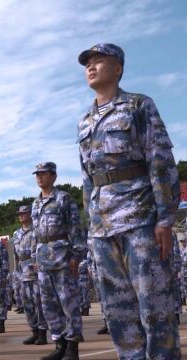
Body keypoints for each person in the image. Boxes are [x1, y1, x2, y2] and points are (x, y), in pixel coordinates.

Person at [77, 43, 181, 359]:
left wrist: (165, 218)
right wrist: (89, 227)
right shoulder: (84, 121)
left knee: (154, 304)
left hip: (140, 218)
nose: (91, 67)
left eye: (99, 61)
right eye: (87, 64)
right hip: (102, 227)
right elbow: (87, 179)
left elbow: (161, 161)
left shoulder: (138, 105)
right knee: (117, 309)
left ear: (118, 68)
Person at [31, 162, 86, 360]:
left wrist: (77, 253)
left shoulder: (64, 198)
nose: (39, 177)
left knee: (68, 303)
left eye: (43, 174)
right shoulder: (35, 203)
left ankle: (72, 346)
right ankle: (59, 343)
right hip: (43, 258)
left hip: (62, 257)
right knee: (48, 305)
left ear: (53, 176)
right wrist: (33, 257)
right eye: (37, 174)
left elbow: (75, 227)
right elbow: (35, 235)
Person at [12, 206, 48, 346]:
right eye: (19, 214)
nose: (20, 216)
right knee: (27, 304)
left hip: (34, 269)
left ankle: (42, 333)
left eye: (23, 213)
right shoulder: (16, 234)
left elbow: (40, 250)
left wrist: (39, 266)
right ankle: (33, 331)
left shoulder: (36, 231)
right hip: (22, 270)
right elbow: (15, 255)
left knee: (38, 302)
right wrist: (16, 271)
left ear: (30, 214)